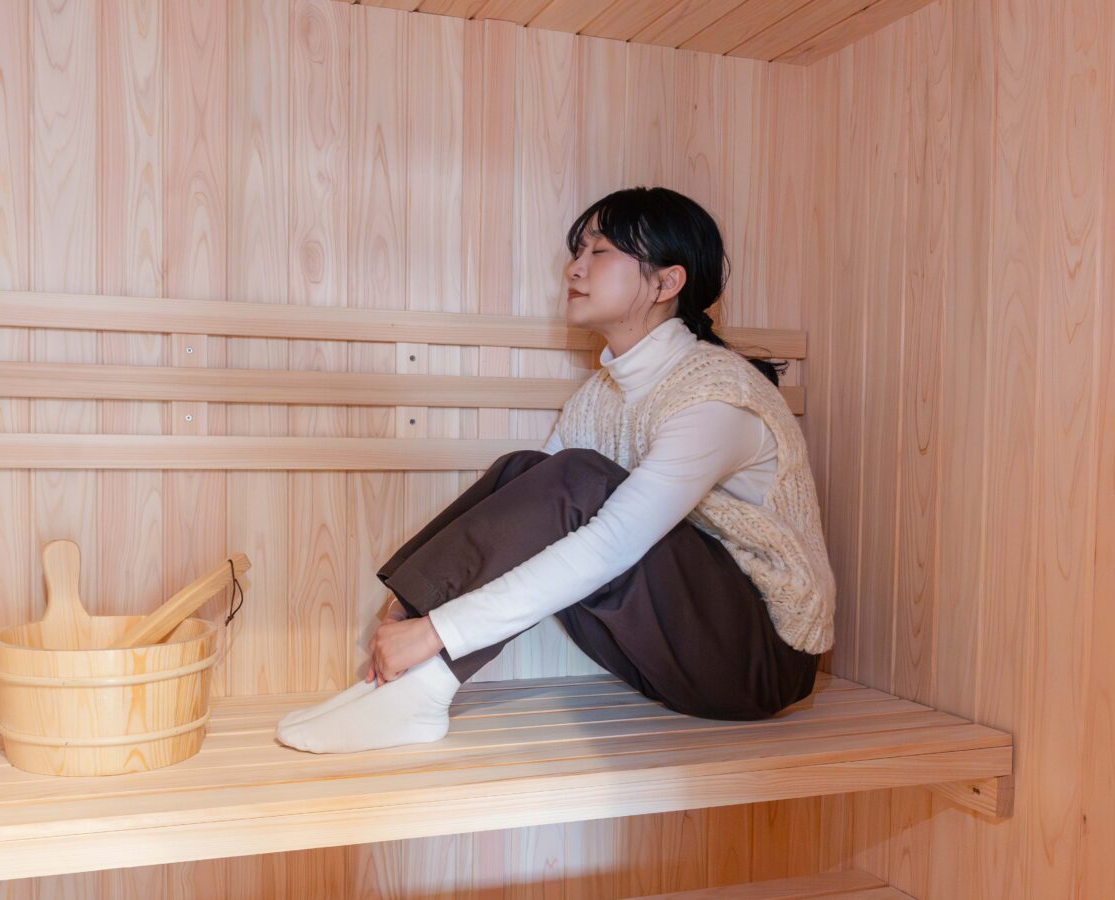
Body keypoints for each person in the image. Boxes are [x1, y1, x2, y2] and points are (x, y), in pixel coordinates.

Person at [275, 186, 835, 755]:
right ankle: (400, 682)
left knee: (576, 482)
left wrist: (437, 632)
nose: (575, 268)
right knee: (527, 471)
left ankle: (426, 684)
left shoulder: (716, 395)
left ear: (666, 283)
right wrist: (405, 615)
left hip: (760, 660)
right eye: (578, 251)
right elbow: (526, 517)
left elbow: (611, 543)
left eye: (600, 252)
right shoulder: (599, 398)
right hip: (665, 654)